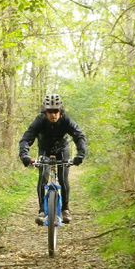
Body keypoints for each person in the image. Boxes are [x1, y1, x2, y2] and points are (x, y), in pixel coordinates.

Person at [19, 93, 88, 225]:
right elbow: (26, 138)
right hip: (44, 149)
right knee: (43, 176)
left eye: (55, 111)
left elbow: (79, 136)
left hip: (62, 149)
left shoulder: (66, 120)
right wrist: (25, 155)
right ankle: (41, 211)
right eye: (49, 111)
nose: (53, 114)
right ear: (45, 112)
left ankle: (65, 209)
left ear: (60, 111)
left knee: (62, 178)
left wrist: (80, 154)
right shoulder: (39, 120)